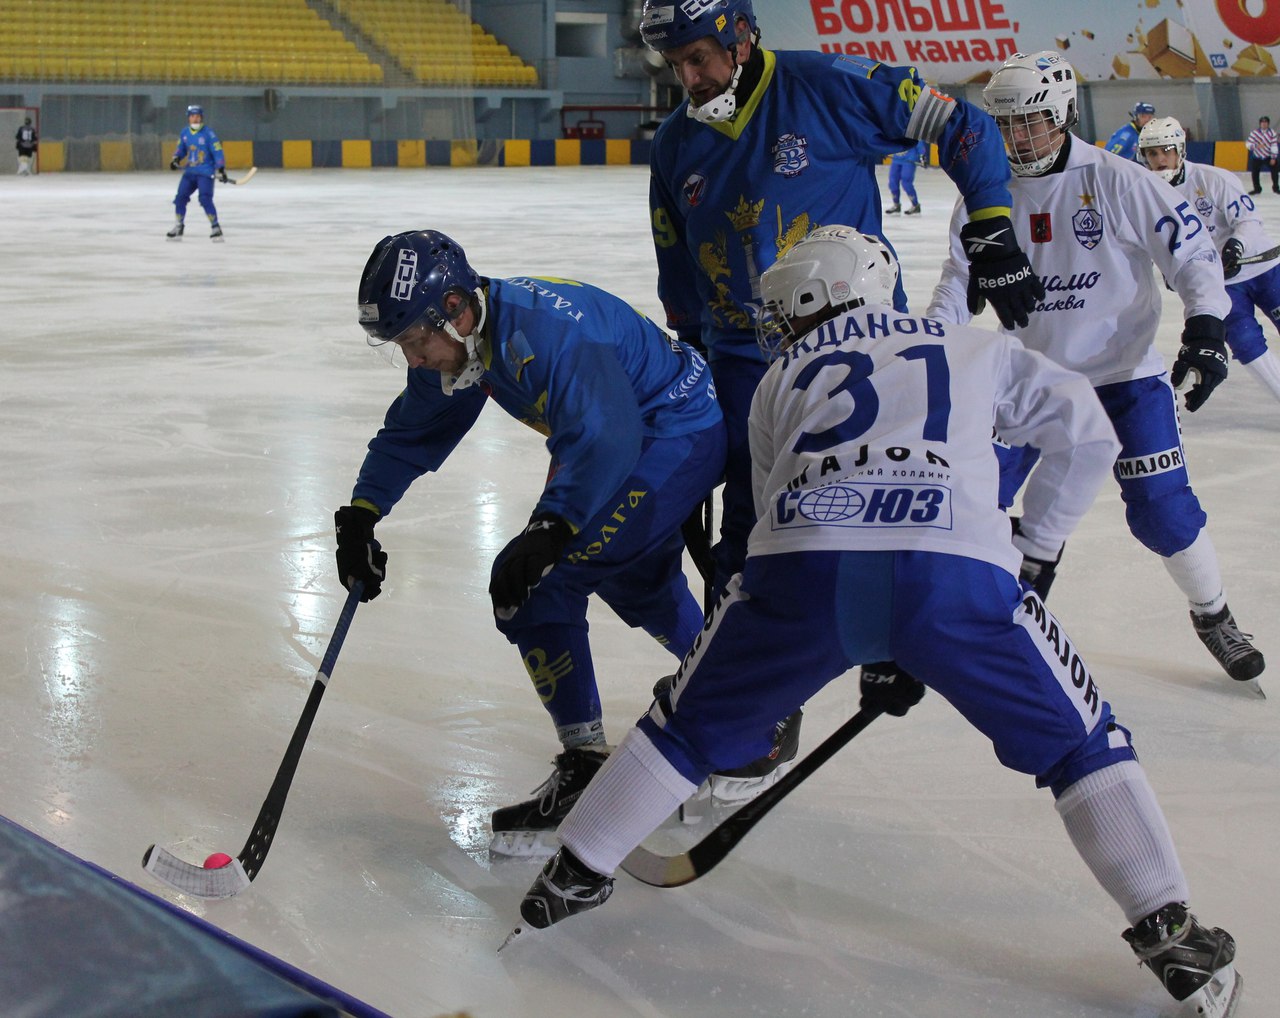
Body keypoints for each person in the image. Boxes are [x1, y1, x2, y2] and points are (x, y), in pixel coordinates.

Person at [510, 227, 1242, 1018]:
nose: (776, 324)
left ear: (812, 298)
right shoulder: (971, 346)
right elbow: (1087, 432)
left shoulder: (778, 375)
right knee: (1081, 744)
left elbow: (773, 512)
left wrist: (857, 633)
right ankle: (1172, 934)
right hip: (953, 568)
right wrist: (1033, 549)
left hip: (799, 570)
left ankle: (575, 870)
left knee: (681, 729)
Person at [336, 229, 739, 857]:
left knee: (535, 586)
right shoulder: (471, 339)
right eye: (403, 347)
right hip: (649, 429)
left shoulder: (547, 335)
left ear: (455, 309)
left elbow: (606, 436)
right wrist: (362, 513)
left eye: (416, 341)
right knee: (636, 577)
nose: (415, 359)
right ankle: (742, 698)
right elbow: (415, 432)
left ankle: (589, 768)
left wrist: (553, 527)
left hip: (670, 432)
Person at [638, 0, 1043, 594]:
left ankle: (920, 631)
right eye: (677, 65)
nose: (690, 81)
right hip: (743, 362)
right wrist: (693, 350)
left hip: (862, 348)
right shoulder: (675, 142)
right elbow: (675, 254)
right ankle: (730, 670)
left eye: (698, 59)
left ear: (742, 41)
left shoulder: (827, 84)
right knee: (749, 528)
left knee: (902, 499)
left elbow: (965, 125)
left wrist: (991, 229)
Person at [927, 51, 1264, 689]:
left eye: (1031, 122)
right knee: (971, 502)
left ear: (1063, 114)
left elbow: (1192, 256)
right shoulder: (985, 193)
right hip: (1024, 381)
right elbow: (956, 278)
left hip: (1124, 378)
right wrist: (935, 343)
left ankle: (1213, 611)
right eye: (1005, 124)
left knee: (1163, 512)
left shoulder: (1119, 180)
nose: (1016, 138)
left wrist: (1207, 325)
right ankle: (987, 619)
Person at [1139, 115, 1280, 404]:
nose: (1160, 159)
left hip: (1262, 269)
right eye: (1153, 153)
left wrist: (1235, 247)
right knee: (1244, 343)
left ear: (1180, 149)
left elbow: (1249, 221)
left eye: (1166, 150)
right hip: (1221, 284)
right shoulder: (1148, 194)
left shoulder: (1213, 179)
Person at [167, 104, 226, 241]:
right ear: (189, 118)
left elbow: (217, 151)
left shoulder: (208, 133)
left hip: (205, 172)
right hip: (190, 172)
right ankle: (178, 226)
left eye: (198, 116)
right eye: (193, 116)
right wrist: (176, 159)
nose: (196, 119)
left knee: (205, 198)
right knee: (180, 198)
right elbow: (181, 148)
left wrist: (221, 168)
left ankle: (215, 227)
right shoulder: (185, 133)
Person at [886, 140, 928, 215]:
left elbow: (919, 142)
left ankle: (915, 205)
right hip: (897, 159)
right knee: (892, 182)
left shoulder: (911, 129)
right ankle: (896, 204)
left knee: (906, 182)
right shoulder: (895, 129)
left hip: (909, 159)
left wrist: (922, 156)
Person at [1245, 115, 1278, 195]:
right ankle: (1257, 189)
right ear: (1260, 123)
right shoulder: (1254, 133)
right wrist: (1256, 146)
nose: (1264, 124)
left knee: (1275, 173)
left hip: (1268, 156)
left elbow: (1274, 145)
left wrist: (1273, 157)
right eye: (1262, 122)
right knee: (1255, 173)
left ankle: (1276, 188)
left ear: (1268, 123)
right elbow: (1248, 144)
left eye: (1265, 122)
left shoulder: (1272, 133)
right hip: (1257, 156)